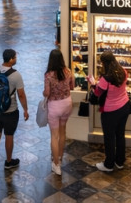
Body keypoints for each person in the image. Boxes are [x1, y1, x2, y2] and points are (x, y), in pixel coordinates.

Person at [0, 48, 28, 179]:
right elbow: (21, 95)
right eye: (15, 57)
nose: (16, 59)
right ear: (11, 60)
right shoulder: (16, 75)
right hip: (10, 112)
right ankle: (8, 162)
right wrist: (25, 109)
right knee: (9, 136)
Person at [89, 50, 130, 172]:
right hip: (124, 106)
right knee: (120, 135)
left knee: (109, 138)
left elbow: (97, 93)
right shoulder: (123, 71)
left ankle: (108, 164)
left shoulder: (105, 78)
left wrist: (92, 84)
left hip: (111, 111)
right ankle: (120, 161)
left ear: (103, 63)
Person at [43, 47, 74, 176]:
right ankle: (60, 158)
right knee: (63, 133)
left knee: (54, 136)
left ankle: (56, 165)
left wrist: (44, 92)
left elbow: (47, 93)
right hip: (67, 104)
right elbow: (72, 86)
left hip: (54, 107)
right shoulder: (68, 72)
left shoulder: (48, 75)